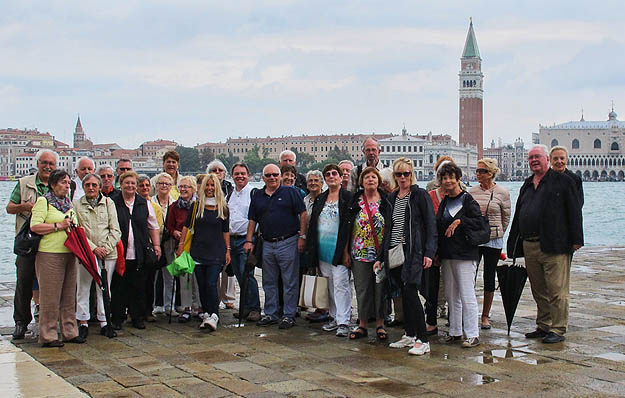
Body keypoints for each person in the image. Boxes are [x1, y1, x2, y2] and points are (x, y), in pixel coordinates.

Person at [507, 145, 583, 344]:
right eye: (531, 157)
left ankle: (557, 329)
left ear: (546, 159)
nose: (534, 160)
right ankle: (543, 325)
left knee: (557, 289)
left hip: (555, 244)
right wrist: (513, 244)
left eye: (537, 157)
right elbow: (518, 214)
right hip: (530, 244)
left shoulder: (564, 181)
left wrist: (576, 240)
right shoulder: (527, 183)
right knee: (538, 289)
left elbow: (574, 210)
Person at [383, 158, 437, 355]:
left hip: (414, 250)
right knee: (403, 294)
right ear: (395, 177)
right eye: (399, 174)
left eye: (406, 174)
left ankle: (423, 340)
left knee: (411, 292)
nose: (403, 177)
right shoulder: (392, 197)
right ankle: (410, 334)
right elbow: (388, 228)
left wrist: (430, 253)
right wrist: (383, 256)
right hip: (395, 251)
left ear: (412, 174)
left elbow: (431, 225)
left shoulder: (420, 195)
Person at [245, 163, 307, 329]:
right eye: (268, 175)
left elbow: (303, 213)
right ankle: (271, 313)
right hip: (267, 243)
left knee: (289, 281)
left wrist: (302, 236)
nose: (272, 178)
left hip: (288, 241)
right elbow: (252, 219)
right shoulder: (258, 195)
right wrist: (249, 240)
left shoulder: (291, 192)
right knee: (268, 280)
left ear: (280, 176)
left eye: (275, 174)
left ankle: (288, 314)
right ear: (263, 178)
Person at [7, 149, 57, 340]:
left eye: (51, 164)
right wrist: (25, 207)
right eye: (44, 163)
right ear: (37, 164)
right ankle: (21, 322)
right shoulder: (24, 184)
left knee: (50, 284)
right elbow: (9, 207)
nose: (47, 167)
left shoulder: (59, 184)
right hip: (28, 241)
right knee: (24, 282)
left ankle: (48, 321)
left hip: (51, 243)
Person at [30, 169, 83, 347]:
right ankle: (48, 334)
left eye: (68, 183)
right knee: (50, 296)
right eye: (63, 182)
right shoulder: (43, 202)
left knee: (69, 295)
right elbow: (35, 226)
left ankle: (70, 331)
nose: (66, 186)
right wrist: (58, 225)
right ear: (53, 184)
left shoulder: (67, 203)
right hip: (49, 254)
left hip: (69, 253)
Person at [436, 162, 484, 348]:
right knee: (451, 295)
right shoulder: (445, 202)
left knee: (466, 294)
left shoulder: (468, 200)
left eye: (451, 177)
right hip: (448, 254)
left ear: (458, 179)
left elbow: (478, 222)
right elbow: (439, 228)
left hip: (465, 254)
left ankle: (472, 334)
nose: (448, 181)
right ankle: (455, 331)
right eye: (444, 178)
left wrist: (459, 222)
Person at [340, 167, 391, 340]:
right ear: (361, 182)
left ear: (378, 181)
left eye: (374, 177)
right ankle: (362, 324)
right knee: (362, 289)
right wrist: (346, 252)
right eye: (367, 177)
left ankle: (380, 324)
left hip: (380, 253)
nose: (370, 180)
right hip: (359, 252)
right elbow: (347, 226)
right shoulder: (355, 200)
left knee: (380, 289)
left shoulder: (385, 201)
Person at [177, 174, 230, 331]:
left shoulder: (223, 208)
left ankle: (214, 314)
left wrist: (228, 250)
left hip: (216, 251)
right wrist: (181, 245)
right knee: (201, 284)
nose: (210, 188)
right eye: (207, 185)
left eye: (213, 185)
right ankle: (206, 312)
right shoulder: (196, 206)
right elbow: (186, 227)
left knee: (211, 283)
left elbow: (225, 231)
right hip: (198, 251)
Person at [110, 171, 161, 330]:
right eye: (127, 183)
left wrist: (156, 245)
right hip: (119, 251)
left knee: (138, 285)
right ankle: (117, 317)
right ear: (121, 184)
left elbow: (153, 226)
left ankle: (137, 316)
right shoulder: (112, 202)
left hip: (139, 250)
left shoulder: (143, 203)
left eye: (133, 183)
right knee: (119, 286)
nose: (130, 186)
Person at [307, 164, 353, 337]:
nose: (332, 176)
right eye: (328, 174)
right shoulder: (321, 198)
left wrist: (347, 251)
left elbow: (350, 226)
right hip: (323, 249)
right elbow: (313, 224)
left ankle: (344, 320)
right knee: (330, 285)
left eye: (335, 173)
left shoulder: (348, 198)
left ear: (341, 177)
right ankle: (334, 317)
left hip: (339, 249)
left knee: (341, 284)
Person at [73, 173, 121, 339]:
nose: (91, 188)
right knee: (83, 287)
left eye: (94, 185)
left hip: (108, 253)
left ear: (100, 187)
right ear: (84, 187)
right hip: (86, 253)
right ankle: (83, 322)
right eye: (88, 185)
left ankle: (104, 321)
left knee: (104, 288)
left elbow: (115, 229)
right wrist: (93, 248)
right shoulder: (76, 205)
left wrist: (105, 248)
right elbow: (77, 230)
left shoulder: (109, 203)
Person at [469, 158, 511, 330]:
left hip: (494, 239)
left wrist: (498, 232)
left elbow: (506, 217)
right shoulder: (472, 192)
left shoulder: (502, 192)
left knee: (489, 276)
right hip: (475, 239)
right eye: (477, 171)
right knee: (470, 275)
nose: (478, 174)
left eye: (482, 171)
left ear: (491, 173)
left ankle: (485, 315)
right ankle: (469, 312)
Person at [227, 162, 261, 322]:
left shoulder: (253, 193)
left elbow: (256, 218)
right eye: (237, 173)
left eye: (243, 173)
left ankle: (255, 308)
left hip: (246, 240)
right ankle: (245, 306)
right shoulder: (230, 194)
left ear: (248, 175)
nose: (240, 176)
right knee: (239, 274)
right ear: (232, 176)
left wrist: (250, 240)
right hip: (231, 240)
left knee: (247, 273)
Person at [163, 176, 198, 321]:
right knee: (184, 278)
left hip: (196, 245)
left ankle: (199, 306)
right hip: (181, 246)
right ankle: (186, 307)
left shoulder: (198, 205)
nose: (183, 189)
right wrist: (174, 232)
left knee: (196, 278)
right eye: (181, 186)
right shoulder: (174, 207)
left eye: (187, 187)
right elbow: (168, 225)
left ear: (193, 189)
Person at [207, 160, 236, 310]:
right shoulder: (206, 189)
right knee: (212, 269)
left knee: (228, 267)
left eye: (220, 170)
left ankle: (228, 296)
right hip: (211, 234)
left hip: (227, 231)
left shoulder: (230, 189)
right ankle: (215, 297)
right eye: (214, 170)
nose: (217, 172)